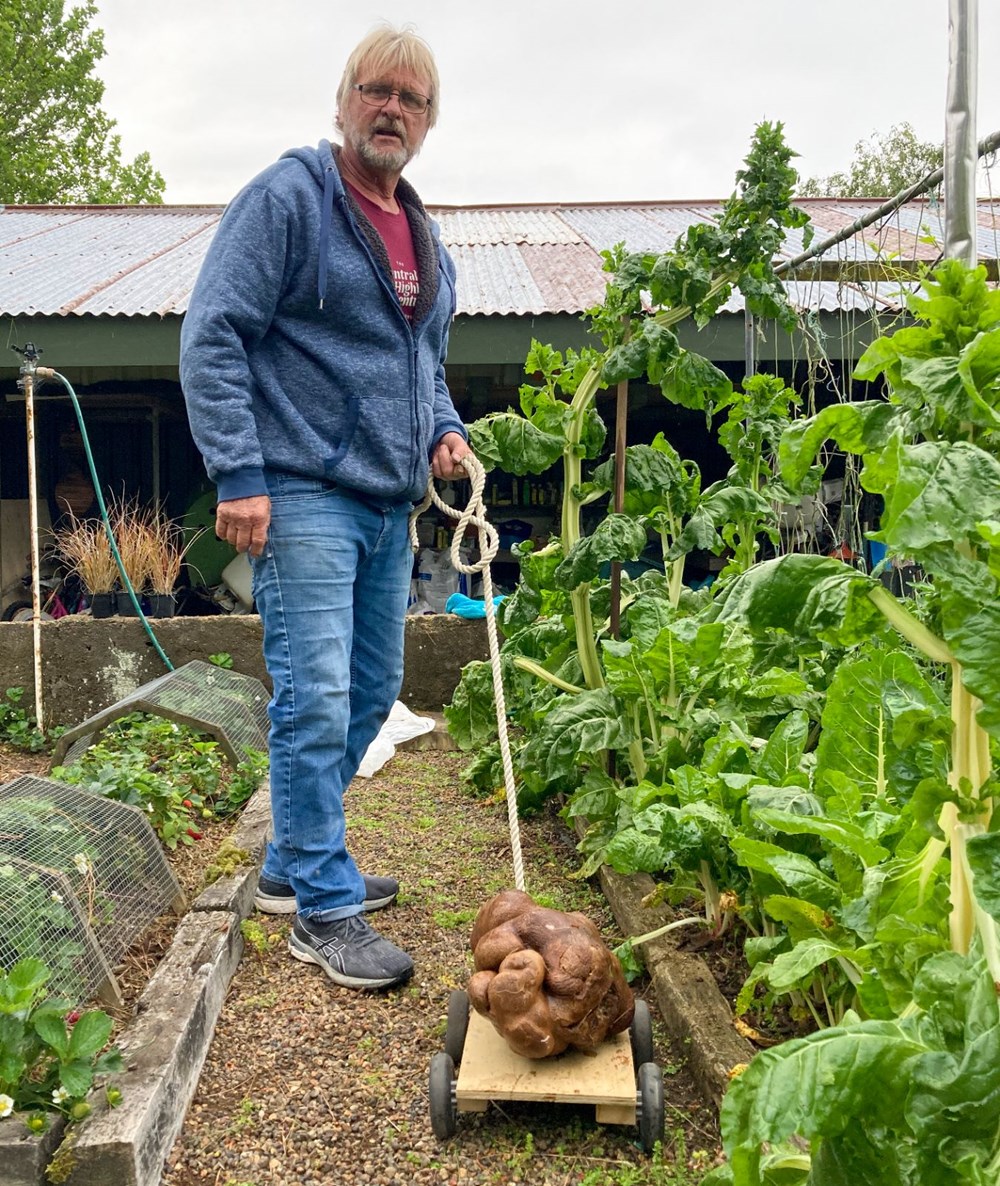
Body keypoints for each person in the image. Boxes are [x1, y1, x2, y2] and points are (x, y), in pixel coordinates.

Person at [180, 24, 470, 991]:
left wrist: (443, 427)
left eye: (413, 100)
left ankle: (287, 864)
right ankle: (323, 908)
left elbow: (422, 364)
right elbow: (214, 334)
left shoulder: (421, 233)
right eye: (377, 91)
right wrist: (239, 472)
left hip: (389, 505)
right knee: (315, 702)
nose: (393, 110)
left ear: (428, 123)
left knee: (373, 690)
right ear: (343, 100)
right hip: (300, 491)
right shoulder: (290, 200)